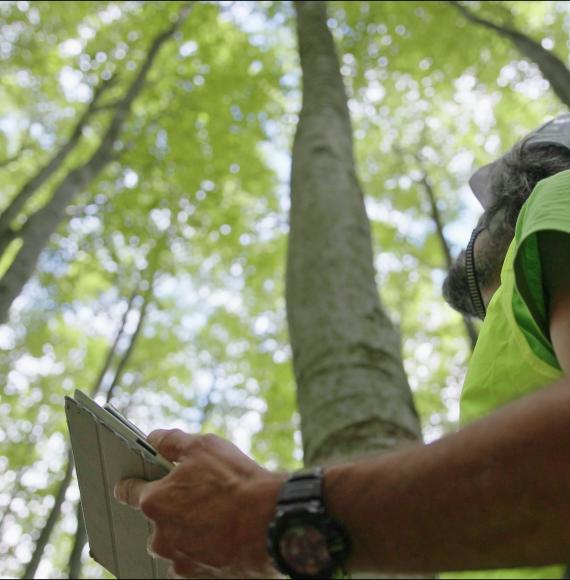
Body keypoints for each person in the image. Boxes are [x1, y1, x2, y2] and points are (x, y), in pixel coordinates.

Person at [114, 115, 570, 580]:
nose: (477, 227)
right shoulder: (518, 324)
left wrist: (268, 515)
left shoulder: (558, 194)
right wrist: (266, 559)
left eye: (487, 207)